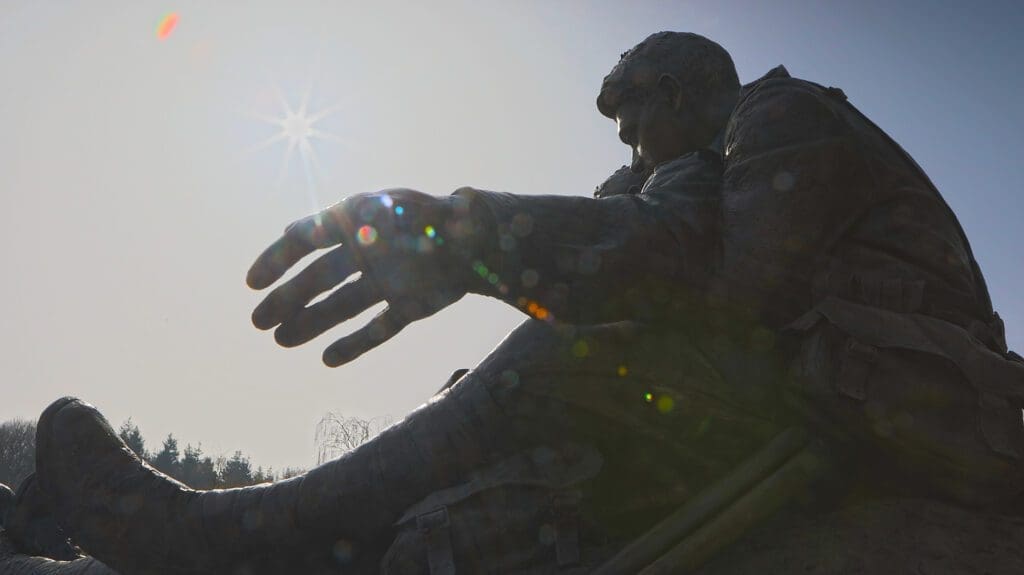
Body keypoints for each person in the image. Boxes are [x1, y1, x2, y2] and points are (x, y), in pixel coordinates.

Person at [18, 31, 1023, 574]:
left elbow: (730, 294)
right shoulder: (702, 173)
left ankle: (220, 540)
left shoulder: (781, 114)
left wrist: (475, 238)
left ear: (679, 91)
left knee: (561, 363)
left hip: (889, 395)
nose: (628, 146)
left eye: (635, 121)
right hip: (813, 391)